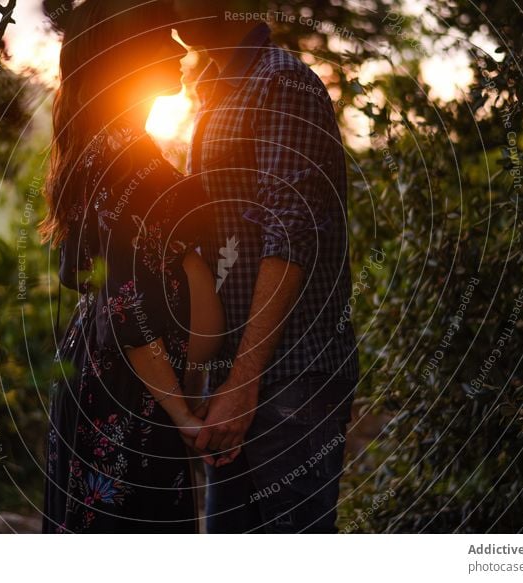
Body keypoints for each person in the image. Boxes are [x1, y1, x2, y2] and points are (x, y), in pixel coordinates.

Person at [38, 0, 226, 533]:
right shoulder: (126, 164)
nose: (178, 47)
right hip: (129, 395)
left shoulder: (105, 149)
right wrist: (184, 414)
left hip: (116, 383)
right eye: (162, 35)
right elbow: (128, 313)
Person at [172, 1, 360, 532]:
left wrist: (242, 382)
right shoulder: (216, 87)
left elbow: (292, 232)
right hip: (236, 375)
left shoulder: (281, 83)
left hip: (290, 377)